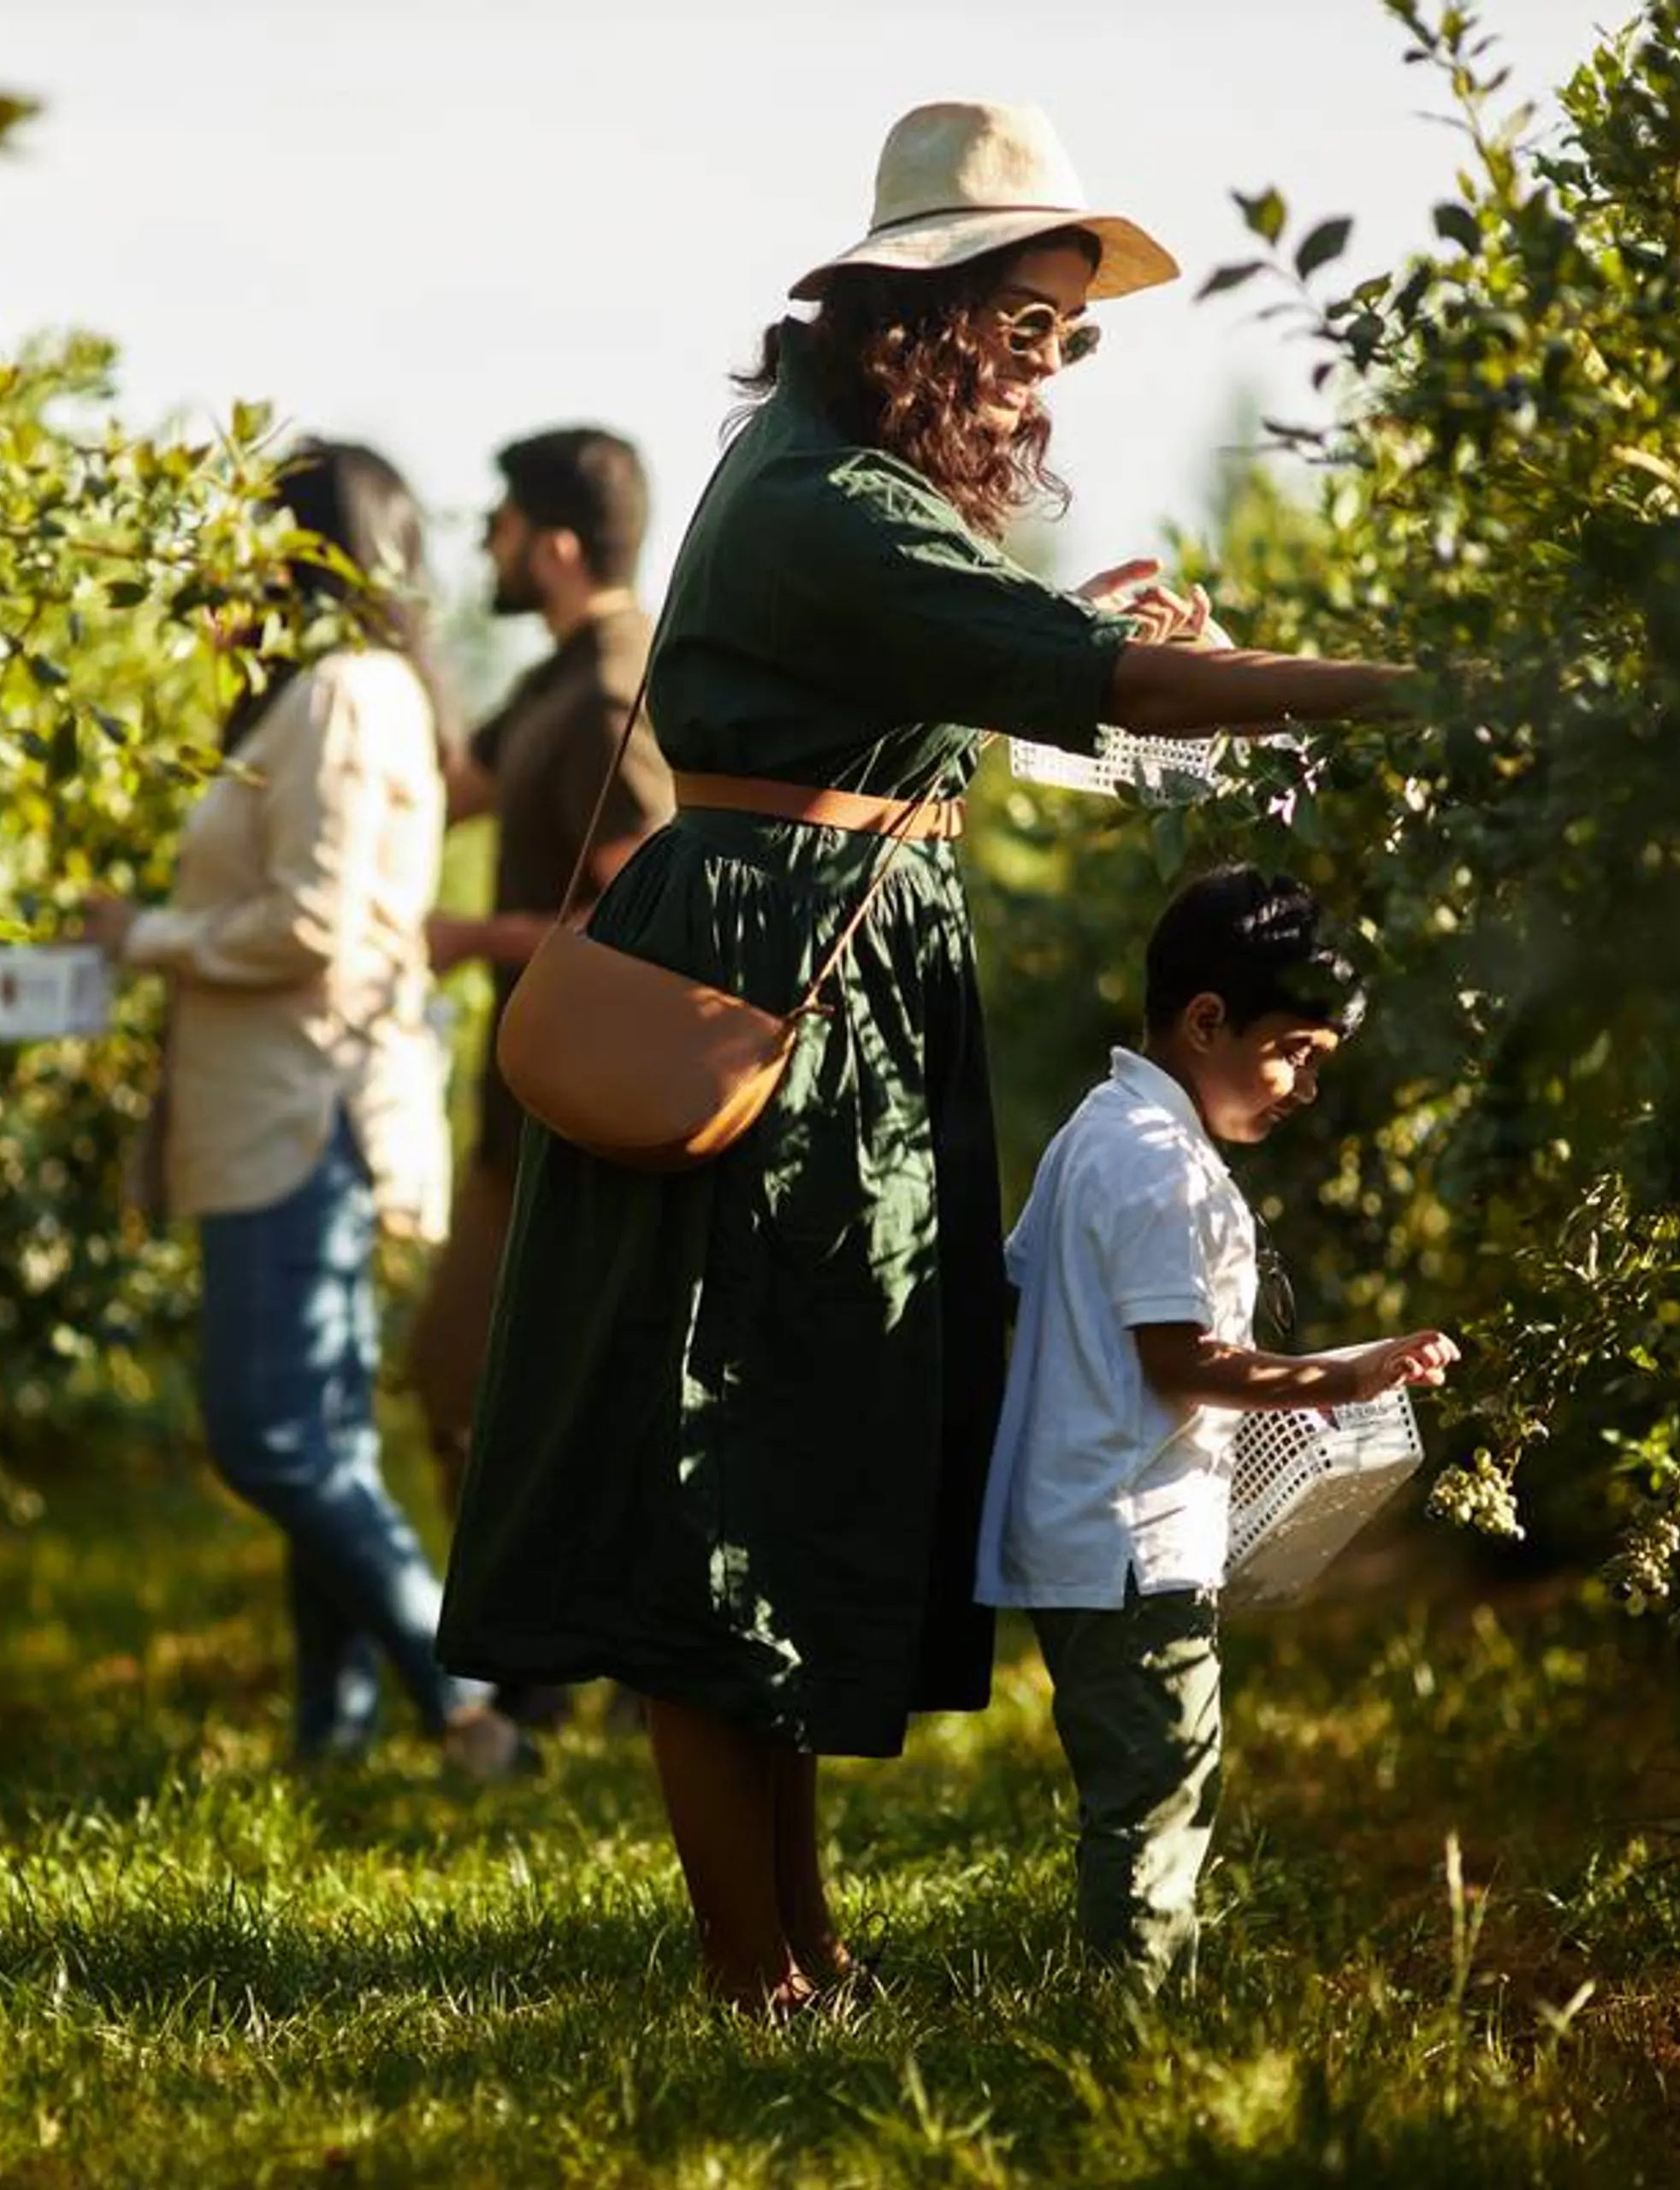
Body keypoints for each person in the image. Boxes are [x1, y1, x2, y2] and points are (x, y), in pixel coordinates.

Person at [436, 99, 1417, 2012]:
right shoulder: (823, 500)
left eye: (1071, 333)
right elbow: (1110, 688)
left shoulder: (832, 484)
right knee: (726, 1489)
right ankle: (755, 1971)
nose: (1056, 368)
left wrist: (1079, 630)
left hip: (833, 981)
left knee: (788, 1468)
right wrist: (1391, 690)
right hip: (775, 994)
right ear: (935, 313)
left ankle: (800, 1949)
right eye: (1037, 325)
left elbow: (1007, 663)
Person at [84, 441, 523, 1780]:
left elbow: (318, 921)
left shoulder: (338, 695)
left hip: (297, 1106)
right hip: (298, 1096)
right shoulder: (359, 693)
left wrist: (145, 936)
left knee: (267, 1435)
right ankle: (331, 1736)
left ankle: (466, 1700)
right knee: (321, 1439)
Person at [978, 867, 1458, 1987]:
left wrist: (1352, 1362)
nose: (1302, 1087)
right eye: (1294, 1050)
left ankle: (1130, 1992)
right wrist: (1339, 1384)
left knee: (1148, 1785)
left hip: (1090, 1532)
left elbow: (1047, 1297)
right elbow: (1180, 1360)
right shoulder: (1158, 1170)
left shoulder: (1100, 1133)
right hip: (1134, 1547)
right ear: (1206, 1022)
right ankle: (1133, 2020)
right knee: (1159, 1796)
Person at [411, 427, 672, 1537]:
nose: (487, 543)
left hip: (579, 1110)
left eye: (502, 526)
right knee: (465, 1383)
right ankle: (542, 1664)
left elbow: (638, 914)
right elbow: (457, 784)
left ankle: (563, 1664)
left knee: (478, 1380)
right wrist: (396, 630)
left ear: (555, 546)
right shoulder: (557, 679)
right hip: (523, 1100)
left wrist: (474, 938)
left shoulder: (613, 693)